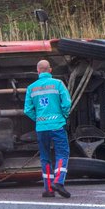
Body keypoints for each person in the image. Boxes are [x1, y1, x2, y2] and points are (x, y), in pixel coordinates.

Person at [24, 59, 72, 199]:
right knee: (62, 153)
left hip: (41, 128)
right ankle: (58, 181)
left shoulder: (31, 88)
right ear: (50, 70)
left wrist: (39, 119)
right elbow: (67, 103)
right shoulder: (57, 84)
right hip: (57, 125)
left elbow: (27, 110)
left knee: (45, 157)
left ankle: (49, 189)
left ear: (37, 71)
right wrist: (63, 116)